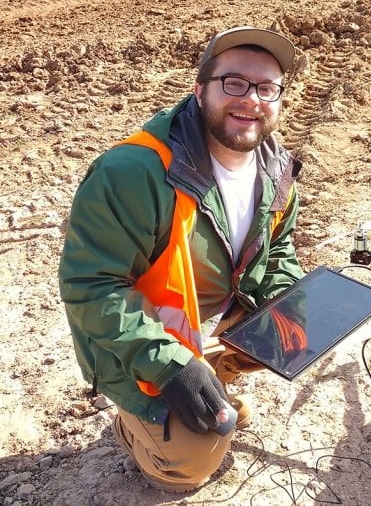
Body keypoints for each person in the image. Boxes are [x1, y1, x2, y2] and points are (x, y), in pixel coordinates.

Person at [58, 26, 305, 492]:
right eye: (234, 83)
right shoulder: (133, 172)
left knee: (292, 328)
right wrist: (172, 365)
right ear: (199, 90)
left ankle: (210, 380)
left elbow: (279, 249)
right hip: (134, 340)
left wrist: (289, 304)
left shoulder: (276, 165)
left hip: (209, 318)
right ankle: (140, 425)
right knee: (189, 464)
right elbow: (91, 287)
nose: (252, 99)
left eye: (267, 87)